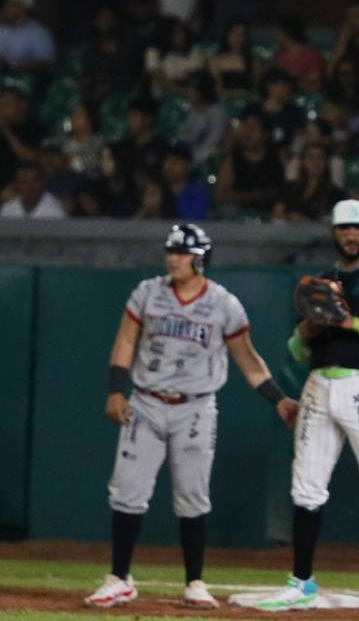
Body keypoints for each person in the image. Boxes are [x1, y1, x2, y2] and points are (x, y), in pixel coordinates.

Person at [84, 224, 297, 609]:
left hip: (195, 407)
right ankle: (119, 578)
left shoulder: (223, 304)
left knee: (192, 495)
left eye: (182, 252)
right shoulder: (148, 292)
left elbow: (248, 360)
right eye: (171, 251)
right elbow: (125, 340)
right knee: (127, 491)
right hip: (146, 401)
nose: (174, 258)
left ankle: (195, 582)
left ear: (201, 258)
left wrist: (278, 400)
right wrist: (115, 389)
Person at [254, 200, 359, 616]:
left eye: (358, 228)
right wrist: (310, 326)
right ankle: (301, 583)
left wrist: (349, 321)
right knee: (305, 487)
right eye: (344, 228)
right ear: (334, 232)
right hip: (318, 385)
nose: (351, 235)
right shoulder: (321, 281)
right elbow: (296, 349)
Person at [0, 0, 55, 75]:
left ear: (23, 8)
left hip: (24, 78)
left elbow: (46, 63)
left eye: (12, 5)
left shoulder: (39, 33)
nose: (6, 8)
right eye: (7, 5)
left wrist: (16, 65)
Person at [162, 142, 209, 221]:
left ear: (188, 165)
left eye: (176, 160)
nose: (169, 165)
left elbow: (193, 224)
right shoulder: (156, 189)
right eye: (166, 160)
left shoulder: (196, 192)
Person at [0, 166, 66, 219]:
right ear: (17, 184)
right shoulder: (8, 208)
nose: (30, 186)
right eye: (24, 181)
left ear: (43, 183)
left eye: (35, 180)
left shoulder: (55, 209)